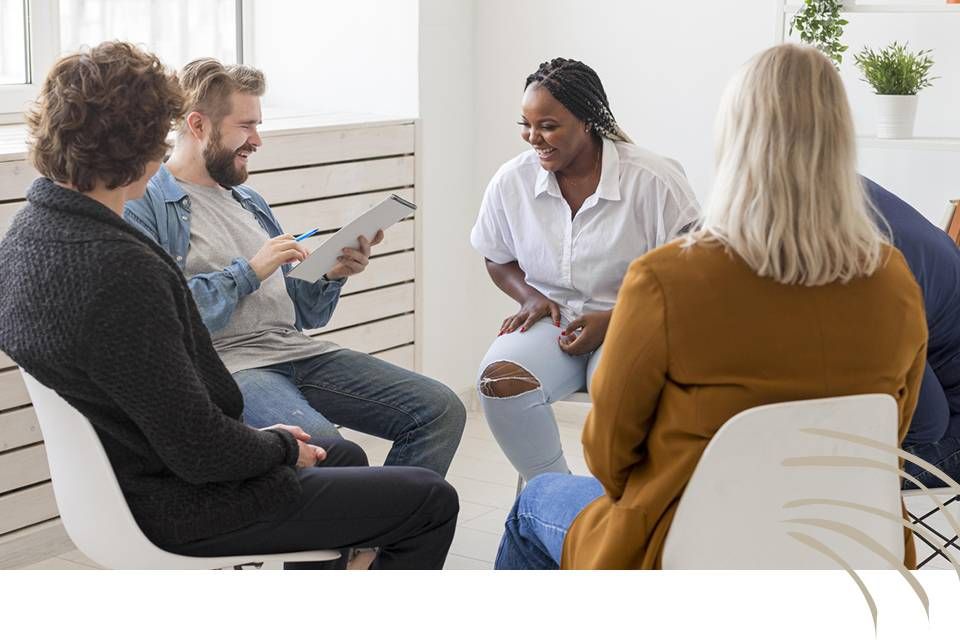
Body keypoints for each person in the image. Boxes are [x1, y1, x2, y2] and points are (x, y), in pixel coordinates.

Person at [0, 41, 457, 570]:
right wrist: (278, 447)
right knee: (431, 499)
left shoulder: (26, 237)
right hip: (183, 501)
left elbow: (175, 411)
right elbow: (198, 445)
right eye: (161, 134)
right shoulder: (123, 264)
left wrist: (326, 274)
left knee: (362, 448)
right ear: (142, 144)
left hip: (146, 476)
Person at [494, 44, 927, 570]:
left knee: (535, 501)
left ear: (733, 141)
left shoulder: (669, 280)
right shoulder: (893, 281)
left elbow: (608, 459)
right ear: (841, 144)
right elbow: (889, 430)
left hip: (690, 550)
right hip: (848, 552)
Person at [123, 58, 464, 477]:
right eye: (246, 126)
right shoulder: (147, 204)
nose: (257, 140)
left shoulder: (249, 202)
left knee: (439, 409)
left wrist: (332, 274)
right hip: (230, 365)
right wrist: (250, 271)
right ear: (198, 125)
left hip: (295, 350)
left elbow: (304, 314)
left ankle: (392, 522)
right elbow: (165, 316)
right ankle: (374, 517)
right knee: (327, 451)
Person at [470, 58, 700, 481]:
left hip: (636, 321)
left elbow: (692, 277)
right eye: (526, 125)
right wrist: (530, 297)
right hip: (553, 322)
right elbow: (495, 255)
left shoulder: (653, 178)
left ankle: (624, 503)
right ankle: (556, 496)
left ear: (587, 121)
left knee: (623, 390)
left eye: (548, 126)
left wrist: (614, 319)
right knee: (499, 383)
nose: (534, 138)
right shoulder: (512, 180)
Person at [864, 178, 960, 489]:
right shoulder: (840, 190)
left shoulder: (860, 272)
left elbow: (927, 427)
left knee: (812, 479)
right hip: (932, 397)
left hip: (947, 428)